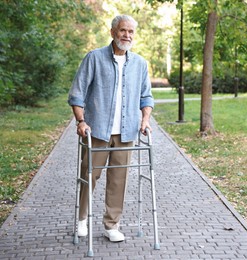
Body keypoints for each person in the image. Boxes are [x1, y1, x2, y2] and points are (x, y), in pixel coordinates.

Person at [68, 15, 154, 242]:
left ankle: (111, 225)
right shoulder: (94, 58)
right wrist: (81, 121)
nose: (127, 35)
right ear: (113, 32)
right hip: (96, 131)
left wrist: (145, 120)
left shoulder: (140, 64)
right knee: (90, 175)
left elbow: (146, 98)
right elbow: (77, 93)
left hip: (126, 133)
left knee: (118, 179)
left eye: (131, 32)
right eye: (123, 30)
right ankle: (82, 220)